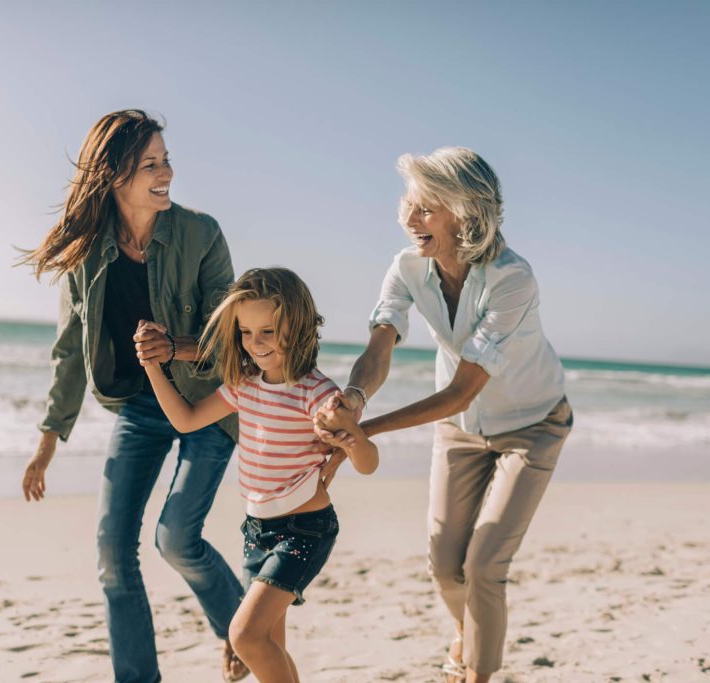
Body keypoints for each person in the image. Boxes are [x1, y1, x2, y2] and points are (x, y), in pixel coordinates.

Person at [315, 147, 572, 683]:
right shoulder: (408, 266)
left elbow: (462, 390)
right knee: (443, 566)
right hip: (461, 433)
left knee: (483, 568)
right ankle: (468, 634)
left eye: (426, 208)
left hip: (533, 426)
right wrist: (356, 399)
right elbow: (381, 343)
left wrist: (367, 430)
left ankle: (477, 672)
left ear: (467, 212)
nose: (410, 220)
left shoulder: (512, 278)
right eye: (408, 205)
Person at [18, 110, 250, 683]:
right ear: (115, 175)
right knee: (112, 557)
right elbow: (70, 350)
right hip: (141, 406)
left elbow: (235, 339)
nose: (167, 172)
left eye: (166, 159)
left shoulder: (201, 233)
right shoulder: (86, 252)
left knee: (175, 538)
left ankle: (243, 630)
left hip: (208, 404)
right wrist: (48, 441)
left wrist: (175, 346)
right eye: (151, 164)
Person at [138, 267, 378, 683]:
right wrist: (152, 366)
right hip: (256, 531)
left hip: (305, 531)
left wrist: (352, 434)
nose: (256, 343)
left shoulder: (316, 393)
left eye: (267, 331)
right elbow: (187, 419)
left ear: (298, 326)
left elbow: (368, 463)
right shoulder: (245, 385)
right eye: (246, 333)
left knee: (245, 637)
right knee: (271, 646)